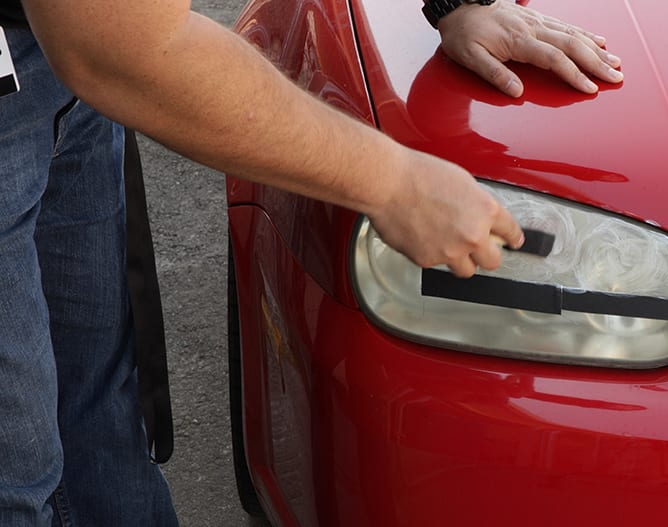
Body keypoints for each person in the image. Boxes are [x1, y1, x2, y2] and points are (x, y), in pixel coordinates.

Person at [0, 0, 621, 524]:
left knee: (96, 415)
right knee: (15, 470)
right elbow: (122, 53)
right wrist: (393, 182)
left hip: (55, 42)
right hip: (79, 40)